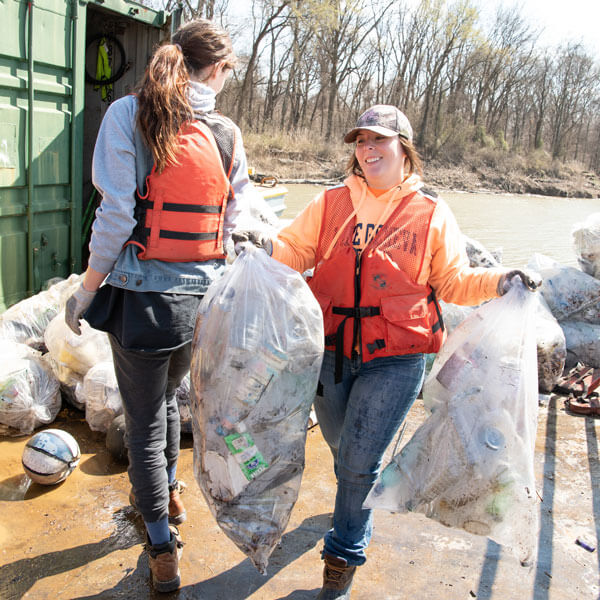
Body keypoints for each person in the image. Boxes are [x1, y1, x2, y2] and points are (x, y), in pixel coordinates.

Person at [232, 105, 540, 600]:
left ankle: (343, 553)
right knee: (343, 450)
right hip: (331, 349)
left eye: (380, 141)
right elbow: (295, 250)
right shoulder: (332, 202)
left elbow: (454, 282)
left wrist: (502, 280)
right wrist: (264, 247)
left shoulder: (432, 212)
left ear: (404, 149)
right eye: (360, 142)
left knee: (357, 461)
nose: (368, 150)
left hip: (396, 356)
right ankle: (358, 492)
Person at [65, 19, 258, 593]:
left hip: (144, 300)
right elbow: (237, 221)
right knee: (171, 397)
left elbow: (118, 215)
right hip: (203, 302)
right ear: (218, 70)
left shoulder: (130, 114)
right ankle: (170, 496)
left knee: (144, 423)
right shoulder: (226, 131)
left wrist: (86, 288)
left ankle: (160, 544)